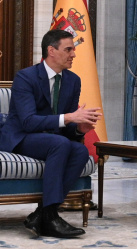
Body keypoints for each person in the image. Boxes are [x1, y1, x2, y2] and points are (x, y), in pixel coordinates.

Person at [0, 29, 102, 238]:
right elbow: (28, 122)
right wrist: (70, 118)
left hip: (52, 139)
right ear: (51, 51)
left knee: (80, 151)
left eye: (73, 49)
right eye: (68, 49)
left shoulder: (73, 80)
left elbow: (69, 128)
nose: (73, 54)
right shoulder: (25, 77)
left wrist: (80, 127)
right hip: (21, 137)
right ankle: (51, 217)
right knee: (60, 144)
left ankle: (45, 214)